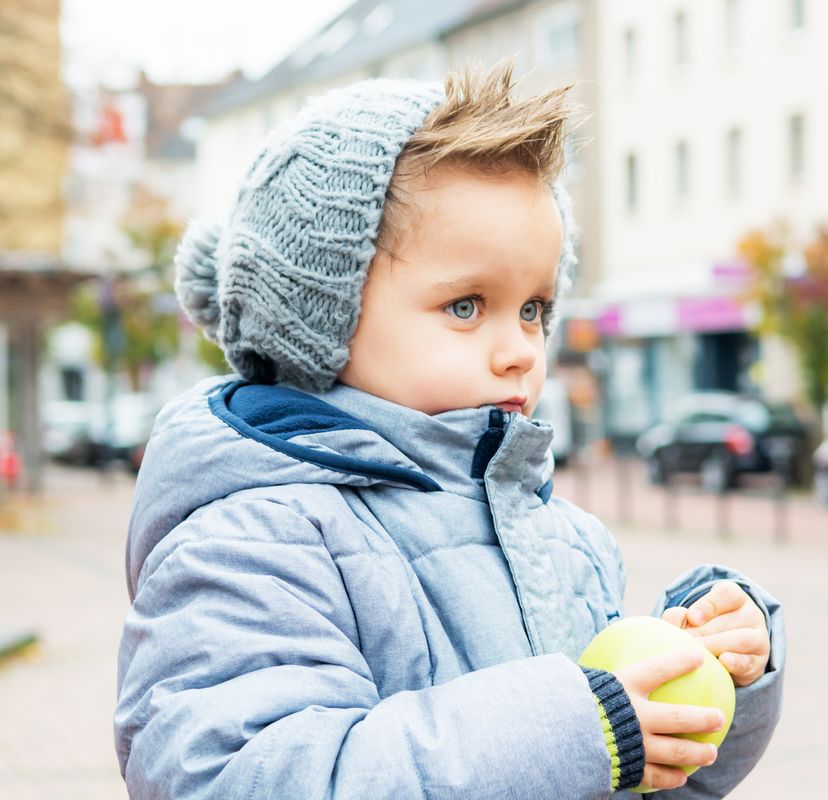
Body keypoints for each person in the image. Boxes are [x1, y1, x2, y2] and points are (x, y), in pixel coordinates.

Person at [114, 62, 785, 798]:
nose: (521, 348)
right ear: (319, 323)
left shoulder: (564, 540)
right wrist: (578, 731)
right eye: (467, 306)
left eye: (534, 307)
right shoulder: (254, 540)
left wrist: (705, 683)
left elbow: (625, 776)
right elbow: (239, 777)